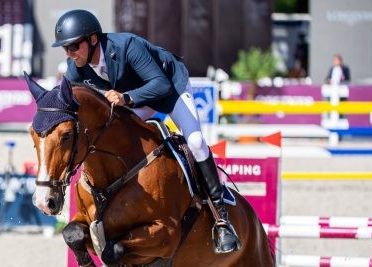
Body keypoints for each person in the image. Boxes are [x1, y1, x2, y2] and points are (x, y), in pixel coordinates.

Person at [52, 9, 240, 254]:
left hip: (169, 87)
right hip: (133, 99)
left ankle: (220, 218)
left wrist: (127, 97)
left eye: (74, 46)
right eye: (66, 49)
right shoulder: (76, 67)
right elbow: (64, 99)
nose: (70, 54)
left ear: (93, 39)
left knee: (195, 141)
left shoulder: (127, 46)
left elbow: (160, 85)